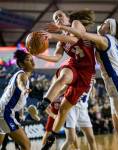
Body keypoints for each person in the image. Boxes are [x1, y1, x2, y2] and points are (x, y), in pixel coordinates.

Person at [46, 18, 118, 150]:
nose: (102, 23)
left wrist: (61, 28)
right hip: (114, 88)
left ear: (109, 29)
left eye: (106, 23)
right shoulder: (114, 42)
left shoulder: (105, 39)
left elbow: (81, 35)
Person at [30, 10, 96, 148]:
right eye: (55, 18)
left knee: (64, 109)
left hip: (86, 72)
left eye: (60, 15)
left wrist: (54, 33)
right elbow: (56, 58)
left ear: (67, 18)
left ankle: (52, 136)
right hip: (74, 65)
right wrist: (38, 55)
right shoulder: (61, 40)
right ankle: (43, 105)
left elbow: (75, 39)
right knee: (63, 76)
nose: (57, 18)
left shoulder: (76, 24)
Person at [42, 81, 97, 150]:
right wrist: (47, 100)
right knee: (69, 138)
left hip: (83, 109)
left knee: (90, 138)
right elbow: (61, 90)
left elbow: (92, 90)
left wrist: (93, 91)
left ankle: (77, 148)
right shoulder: (75, 77)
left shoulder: (91, 77)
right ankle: (44, 146)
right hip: (70, 108)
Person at [0, 50, 35, 150]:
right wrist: (24, 89)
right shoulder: (22, 75)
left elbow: (18, 99)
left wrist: (20, 113)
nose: (32, 62)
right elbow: (20, 83)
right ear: (21, 64)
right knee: (26, 145)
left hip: (3, 111)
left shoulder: (17, 76)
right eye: (28, 60)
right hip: (5, 113)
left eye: (32, 59)